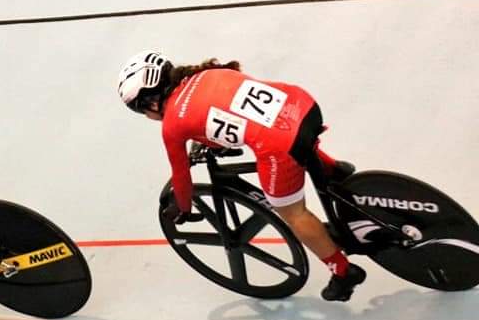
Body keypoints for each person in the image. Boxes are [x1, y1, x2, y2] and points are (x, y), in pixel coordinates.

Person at [117, 50, 366, 302]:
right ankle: (333, 170)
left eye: (140, 111)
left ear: (151, 102)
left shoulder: (172, 125)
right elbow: (229, 111)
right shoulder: (206, 73)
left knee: (293, 213)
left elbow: (181, 178)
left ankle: (343, 272)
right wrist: (214, 143)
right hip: (302, 104)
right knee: (290, 136)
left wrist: (182, 209)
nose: (147, 117)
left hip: (282, 144)